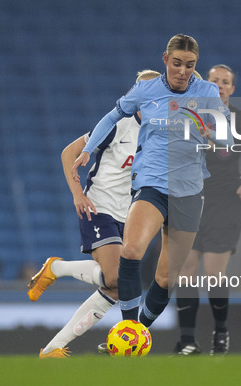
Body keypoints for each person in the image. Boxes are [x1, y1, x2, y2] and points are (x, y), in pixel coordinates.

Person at [72, 34, 230, 332]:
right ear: (165, 60)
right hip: (152, 185)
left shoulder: (208, 93)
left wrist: (213, 135)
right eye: (177, 63)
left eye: (190, 65)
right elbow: (111, 117)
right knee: (131, 251)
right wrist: (88, 149)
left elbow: (228, 139)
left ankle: (139, 331)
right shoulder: (147, 91)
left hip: (190, 193)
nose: (183, 70)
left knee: (168, 277)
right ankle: (129, 331)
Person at [27, 70, 161, 358]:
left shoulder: (160, 133)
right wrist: (78, 194)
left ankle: (52, 348)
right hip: (98, 207)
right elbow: (68, 153)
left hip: (130, 215)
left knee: (116, 288)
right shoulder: (117, 124)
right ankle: (57, 270)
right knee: (117, 278)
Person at [174, 64, 241, 355]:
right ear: (206, 85)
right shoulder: (188, 116)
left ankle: (221, 334)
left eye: (226, 82)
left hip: (226, 202)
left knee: (214, 273)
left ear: (232, 89)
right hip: (191, 200)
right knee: (186, 271)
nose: (221, 86)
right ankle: (187, 339)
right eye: (215, 81)